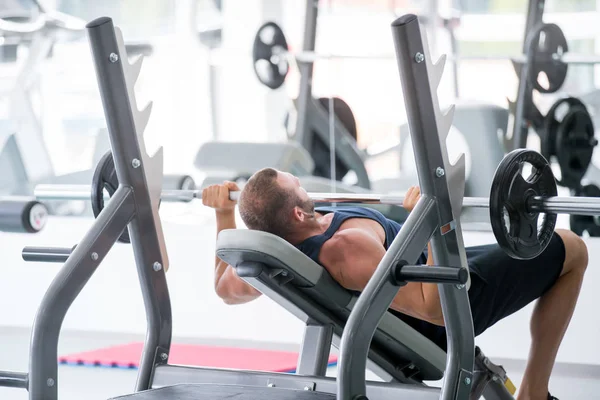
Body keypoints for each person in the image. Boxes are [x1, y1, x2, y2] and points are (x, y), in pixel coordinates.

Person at [202, 168, 588, 400]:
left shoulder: (279, 250)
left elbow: (224, 286)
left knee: (542, 248)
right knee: (572, 249)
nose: (305, 185)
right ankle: (534, 394)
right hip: (450, 302)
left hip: (439, 266)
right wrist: (436, 219)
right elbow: (436, 309)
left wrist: (224, 213)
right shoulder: (345, 250)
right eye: (298, 185)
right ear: (299, 213)